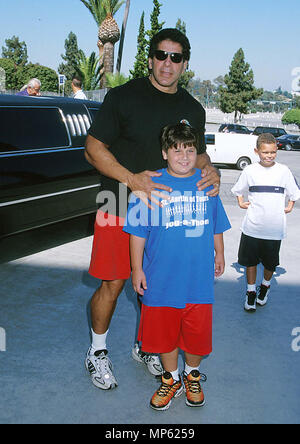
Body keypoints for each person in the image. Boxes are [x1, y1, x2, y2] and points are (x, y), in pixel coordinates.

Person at [84, 28, 221, 390]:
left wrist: (210, 168)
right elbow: (93, 148)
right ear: (150, 58)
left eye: (176, 58)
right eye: (161, 55)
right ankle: (97, 352)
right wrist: (132, 179)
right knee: (113, 281)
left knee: (155, 287)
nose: (167, 64)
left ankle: (145, 348)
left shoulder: (193, 108)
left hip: (168, 214)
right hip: (117, 202)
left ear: (185, 64)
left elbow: (198, 153)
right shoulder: (123, 97)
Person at [123, 122, 231, 410]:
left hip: (197, 280)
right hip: (161, 280)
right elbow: (137, 232)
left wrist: (219, 252)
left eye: (190, 150)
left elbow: (216, 224)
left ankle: (191, 375)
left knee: (196, 336)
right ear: (164, 152)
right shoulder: (151, 184)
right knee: (164, 335)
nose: (184, 156)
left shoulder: (206, 182)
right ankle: (170, 378)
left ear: (198, 153)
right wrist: (137, 268)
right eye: (176, 150)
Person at [231, 133, 300, 312]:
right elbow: (238, 189)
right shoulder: (249, 171)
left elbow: (294, 192)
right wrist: (240, 201)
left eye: (272, 152)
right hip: (252, 227)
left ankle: (265, 286)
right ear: (257, 151)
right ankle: (251, 292)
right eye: (265, 152)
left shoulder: (284, 171)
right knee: (250, 262)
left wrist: (290, 205)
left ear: (276, 150)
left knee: (270, 264)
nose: (269, 156)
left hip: (274, 229)